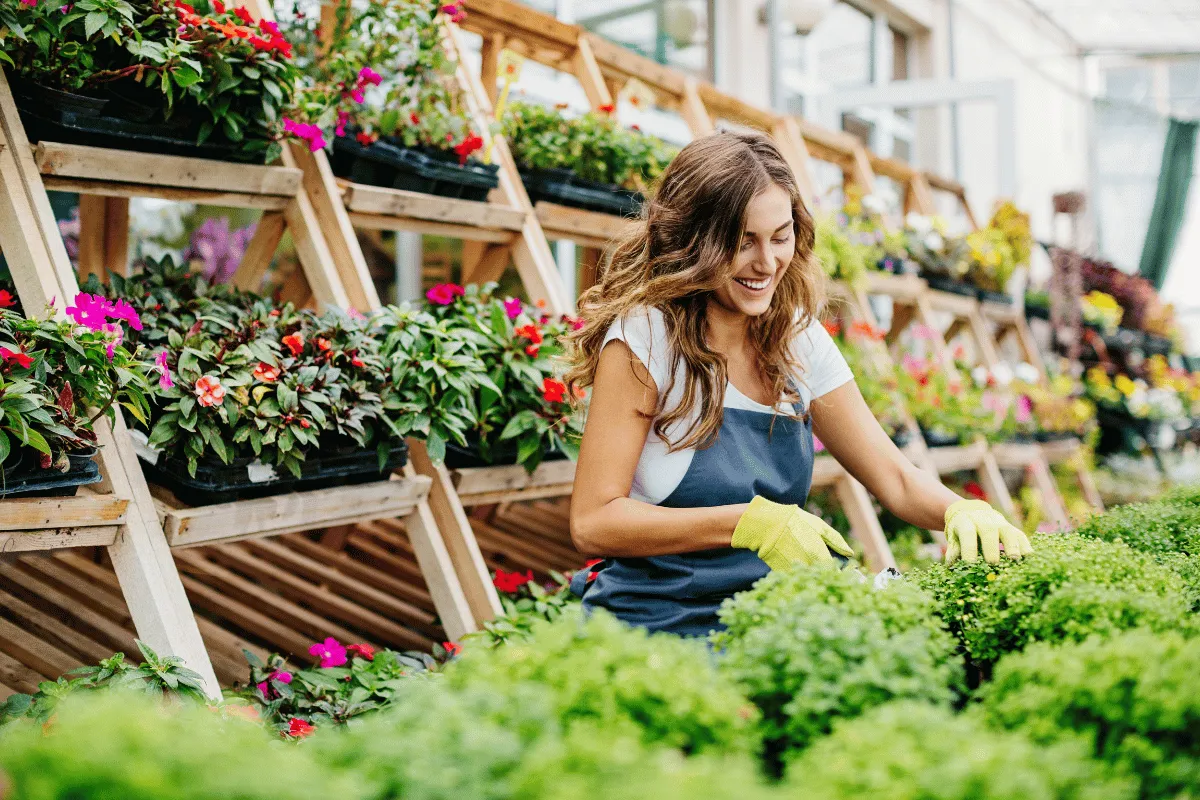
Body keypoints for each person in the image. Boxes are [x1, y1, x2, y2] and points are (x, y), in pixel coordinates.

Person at [564, 131, 1032, 638]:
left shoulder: (795, 339)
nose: (766, 263)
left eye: (780, 236)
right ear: (692, 241)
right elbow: (593, 521)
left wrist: (960, 510)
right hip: (659, 626)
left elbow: (894, 478)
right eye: (742, 242)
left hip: (769, 619)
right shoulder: (646, 339)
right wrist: (749, 522)